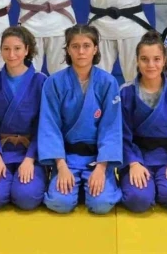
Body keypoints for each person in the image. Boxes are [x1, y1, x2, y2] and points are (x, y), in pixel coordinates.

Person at [38, 24, 123, 214]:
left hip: (97, 158)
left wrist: (101, 168)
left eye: (86, 46)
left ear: (95, 49)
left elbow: (111, 128)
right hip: (66, 158)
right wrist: (61, 166)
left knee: (101, 205)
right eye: (75, 46)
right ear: (68, 50)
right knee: (59, 203)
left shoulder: (108, 82)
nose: (81, 52)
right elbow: (49, 126)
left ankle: (91, 186)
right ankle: (78, 187)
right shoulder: (54, 82)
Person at [119, 30, 167, 213]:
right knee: (138, 200)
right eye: (144, 59)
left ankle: (158, 188)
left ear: (164, 61)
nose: (151, 65)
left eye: (156, 59)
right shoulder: (124, 93)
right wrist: (133, 162)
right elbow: (119, 134)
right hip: (136, 155)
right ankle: (147, 190)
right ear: (137, 61)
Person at [0, 26, 48, 210]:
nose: (11, 54)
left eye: (17, 48)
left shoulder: (41, 81)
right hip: (0, 150)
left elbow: (44, 125)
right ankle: (6, 186)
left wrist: (30, 158)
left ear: (27, 50)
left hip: (30, 152)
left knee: (27, 198)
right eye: (6, 49)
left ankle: (18, 186)